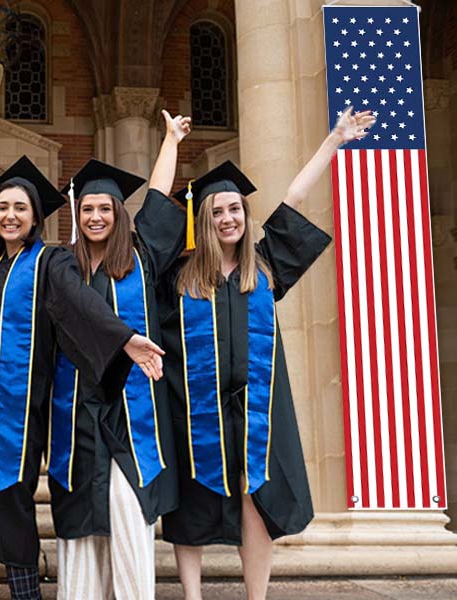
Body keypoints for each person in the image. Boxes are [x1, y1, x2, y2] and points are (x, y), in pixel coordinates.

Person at [0, 105, 165, 600]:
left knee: (11, 512)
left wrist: (124, 338)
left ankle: (26, 593)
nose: (10, 215)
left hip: (18, 415)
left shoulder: (51, 262)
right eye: (3, 208)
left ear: (35, 218)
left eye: (20, 209)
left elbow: (79, 305)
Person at [159, 108, 375, 600]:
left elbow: (294, 200)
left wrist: (334, 140)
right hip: (195, 410)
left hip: (256, 410)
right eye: (216, 211)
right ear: (204, 221)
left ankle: (256, 596)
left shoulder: (265, 266)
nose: (227, 218)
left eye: (234, 209)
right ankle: (192, 596)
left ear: (245, 215)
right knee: (192, 500)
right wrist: (169, 144)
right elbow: (151, 218)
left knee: (254, 498)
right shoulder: (180, 277)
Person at [49, 110, 192, 600]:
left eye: (105, 209)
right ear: (77, 213)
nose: (95, 217)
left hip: (132, 409)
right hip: (79, 407)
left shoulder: (141, 255)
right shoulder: (61, 264)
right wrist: (126, 339)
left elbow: (156, 199)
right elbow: (71, 313)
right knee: (82, 523)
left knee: (127, 510)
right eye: (87, 209)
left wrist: (170, 141)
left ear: (118, 214)